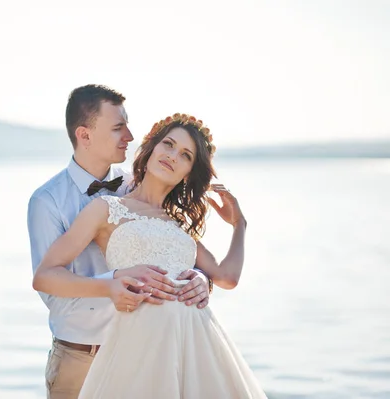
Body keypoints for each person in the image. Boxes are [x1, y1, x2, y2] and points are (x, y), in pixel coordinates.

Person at [33, 113, 267, 398]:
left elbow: (226, 277)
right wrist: (111, 284)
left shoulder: (179, 222)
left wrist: (238, 226)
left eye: (185, 155)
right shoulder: (106, 209)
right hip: (139, 350)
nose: (172, 155)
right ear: (152, 147)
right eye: (168, 144)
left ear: (189, 173)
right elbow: (44, 277)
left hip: (196, 345)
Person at [27, 85, 212, 398]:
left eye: (127, 125)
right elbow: (48, 285)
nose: (129, 135)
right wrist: (111, 284)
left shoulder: (139, 182)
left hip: (146, 356)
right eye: (118, 127)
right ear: (84, 135)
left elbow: (179, 249)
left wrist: (201, 279)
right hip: (81, 357)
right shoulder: (47, 201)